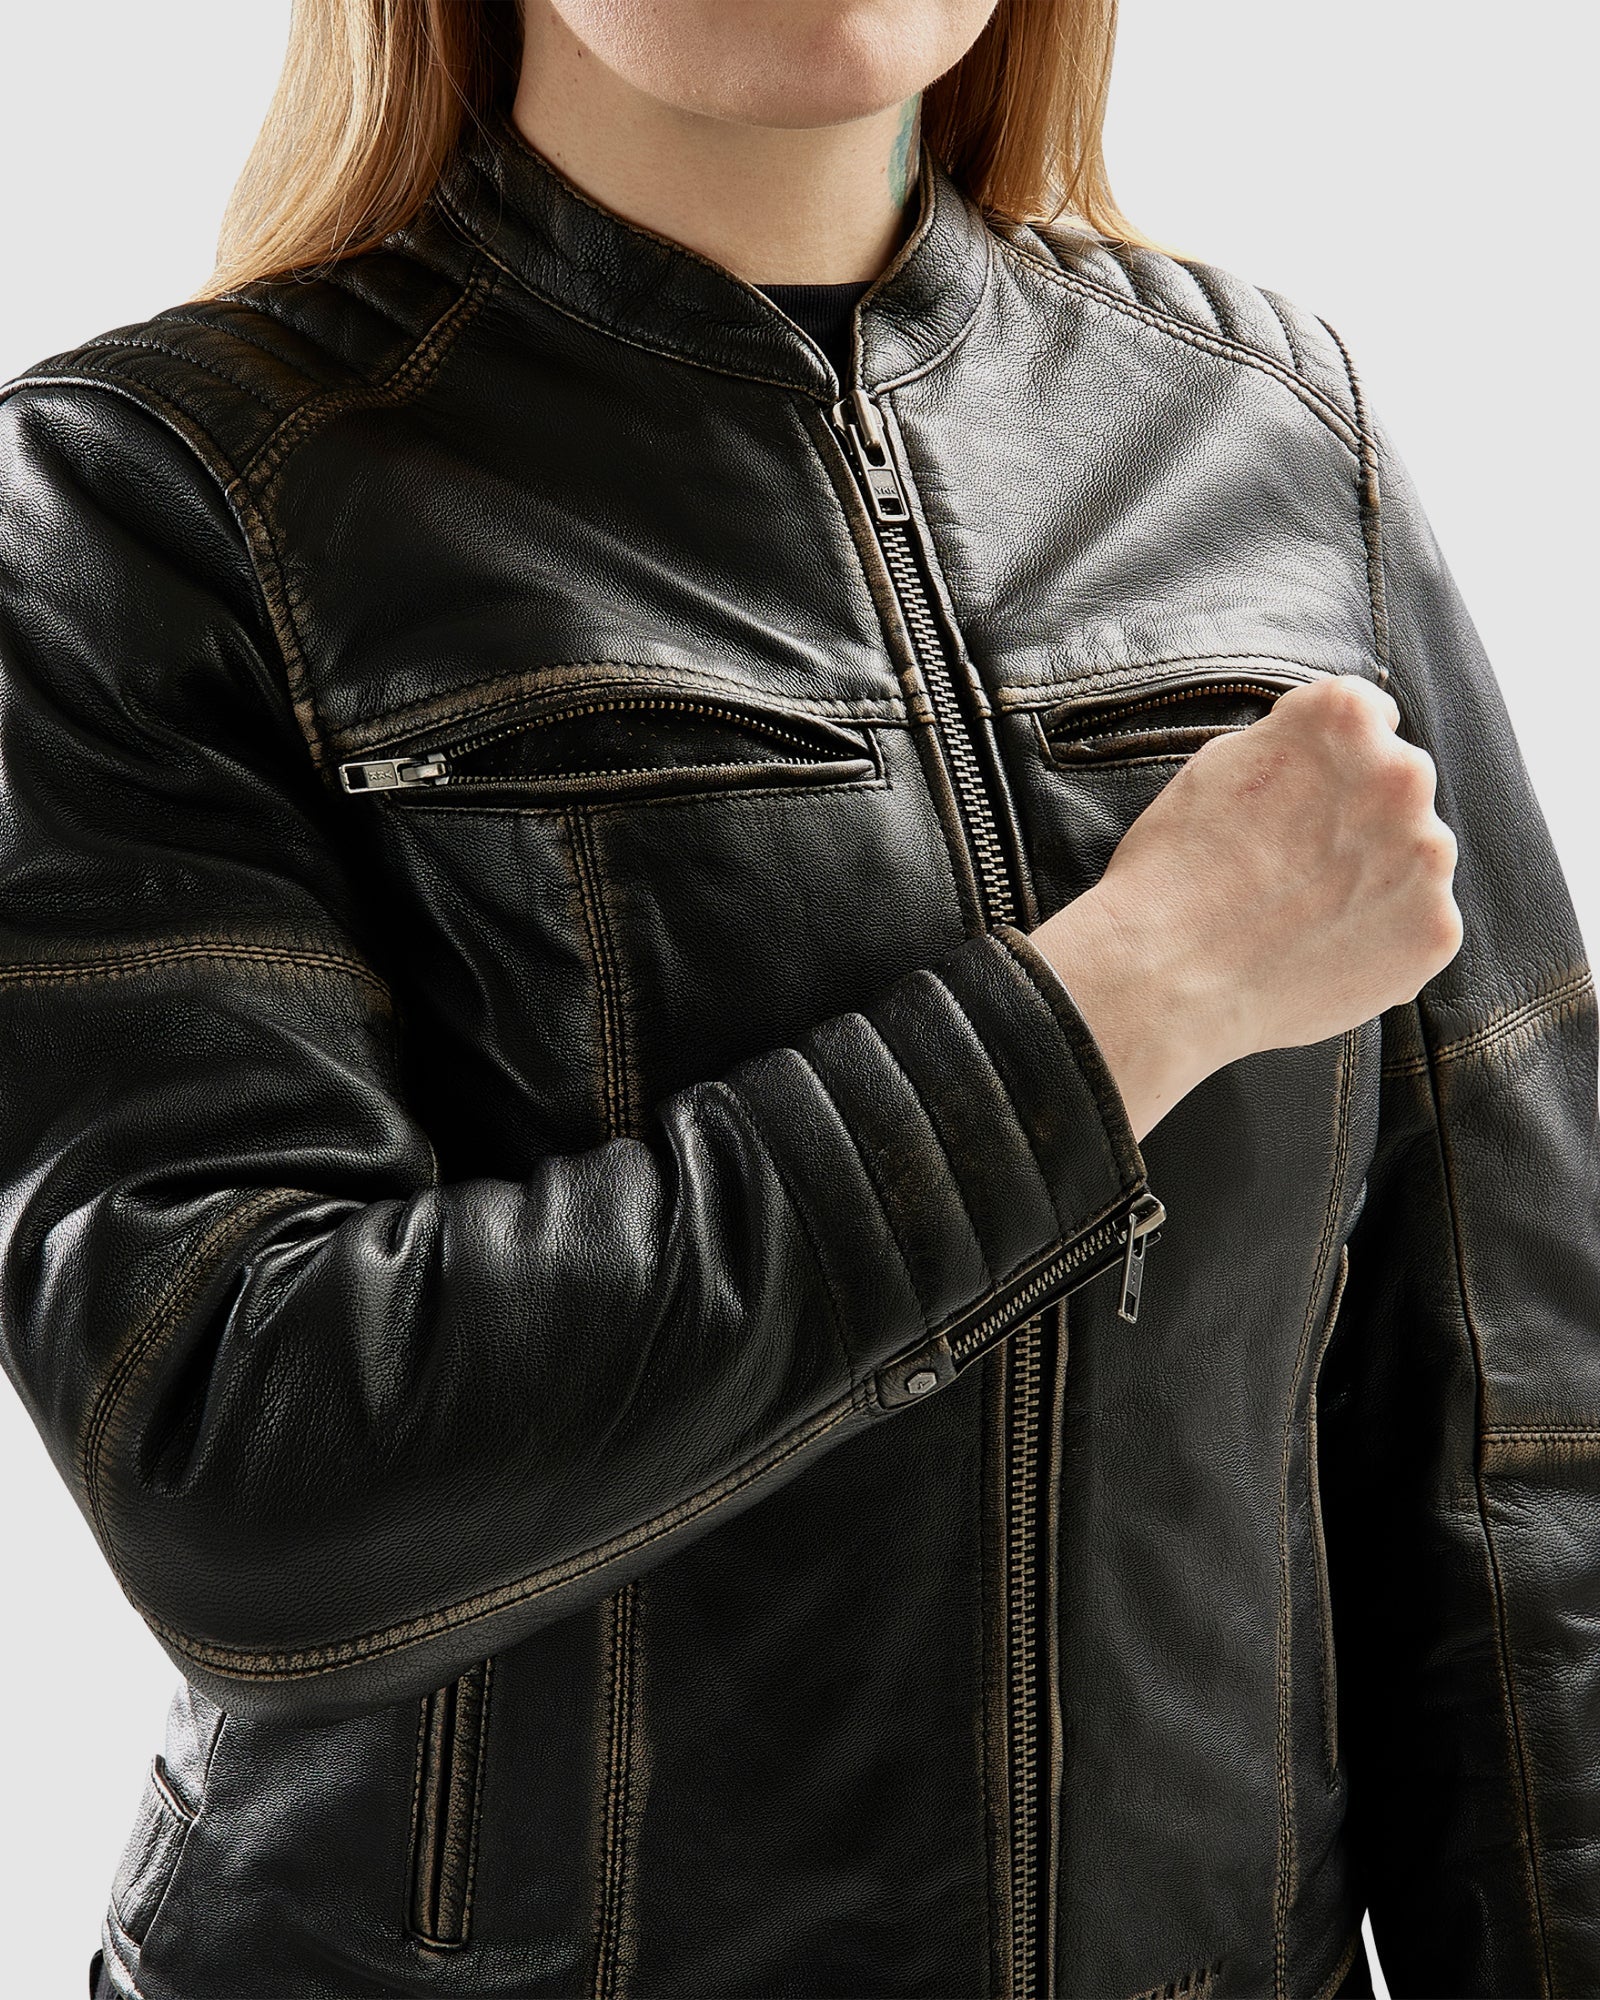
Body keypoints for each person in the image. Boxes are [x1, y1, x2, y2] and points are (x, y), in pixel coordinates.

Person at [0, 0, 1592, 1995]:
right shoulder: (153, 492)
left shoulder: (1277, 440)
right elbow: (242, 1470)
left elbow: (1517, 1453)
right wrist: (1116, 1006)